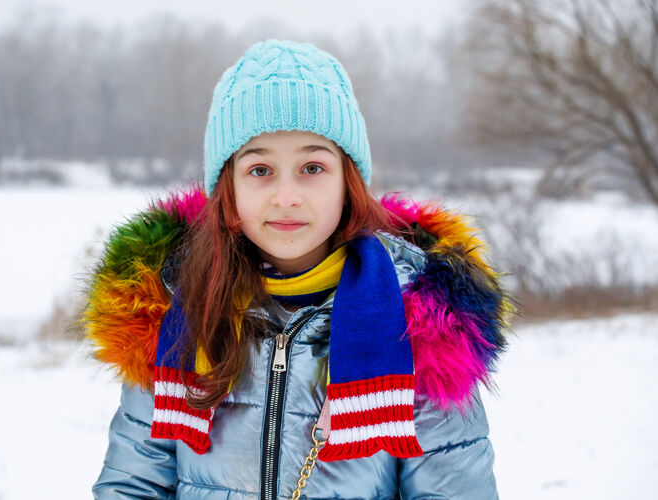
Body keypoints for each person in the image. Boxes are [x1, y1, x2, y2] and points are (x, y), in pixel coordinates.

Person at [83, 39, 513, 499]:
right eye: (260, 170)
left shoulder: (421, 326)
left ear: (348, 182)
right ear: (227, 188)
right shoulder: (173, 314)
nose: (286, 196)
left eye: (311, 167)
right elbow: (133, 485)